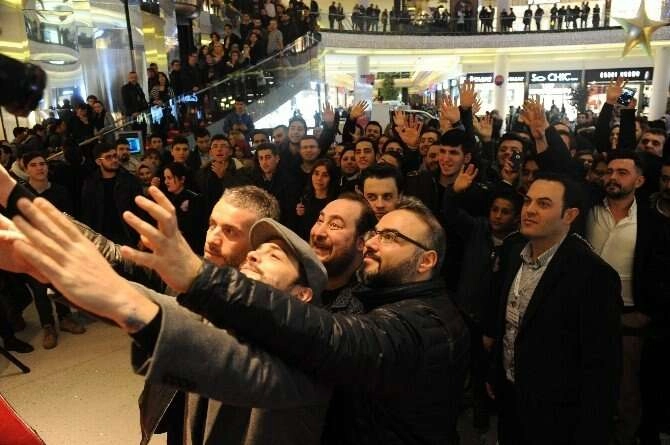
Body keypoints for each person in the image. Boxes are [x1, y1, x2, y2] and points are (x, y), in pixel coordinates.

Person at [489, 172, 621, 445]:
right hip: (511, 396)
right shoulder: (514, 252)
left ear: (569, 215)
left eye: (544, 204)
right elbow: (508, 325)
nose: (530, 210)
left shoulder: (592, 274)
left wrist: (591, 430)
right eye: (528, 201)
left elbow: (600, 365)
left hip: (557, 411)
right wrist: (496, 374)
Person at [22, 152, 86, 348]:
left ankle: (65, 317)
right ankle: (48, 326)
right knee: (40, 289)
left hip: (58, 245)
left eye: (42, 164)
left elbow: (69, 219)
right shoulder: (21, 194)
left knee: (61, 284)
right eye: (34, 165)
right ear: (26, 169)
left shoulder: (59, 191)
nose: (39, 168)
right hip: (34, 247)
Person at [80, 142, 144, 245]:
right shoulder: (91, 183)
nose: (114, 160)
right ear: (98, 161)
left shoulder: (130, 180)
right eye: (108, 157)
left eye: (115, 156)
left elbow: (140, 210)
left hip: (127, 235)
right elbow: (88, 213)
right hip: (102, 238)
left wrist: (142, 235)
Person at [163, 162, 206, 253]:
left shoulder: (194, 198)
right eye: (165, 178)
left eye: (169, 178)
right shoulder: (168, 198)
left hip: (191, 249)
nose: (166, 182)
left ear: (182, 179)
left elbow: (195, 227)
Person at [295, 159, 337, 240]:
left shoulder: (334, 203)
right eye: (316, 173)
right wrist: (299, 215)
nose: (319, 178)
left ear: (331, 178)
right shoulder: (305, 197)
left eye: (325, 175)